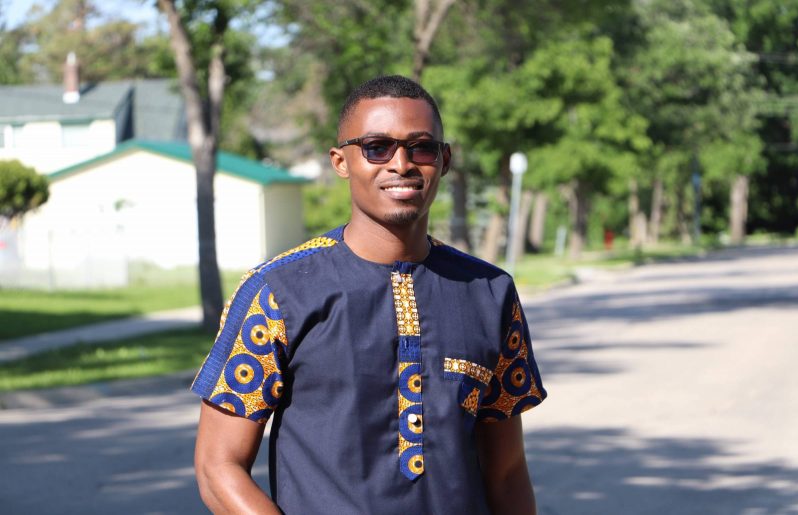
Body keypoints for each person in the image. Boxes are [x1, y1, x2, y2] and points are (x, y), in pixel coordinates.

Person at [191, 75, 547, 514]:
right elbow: (217, 466)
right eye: (377, 147)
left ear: (445, 159)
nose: (401, 164)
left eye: (421, 147)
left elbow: (507, 472)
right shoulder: (278, 292)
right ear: (341, 161)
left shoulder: (489, 293)